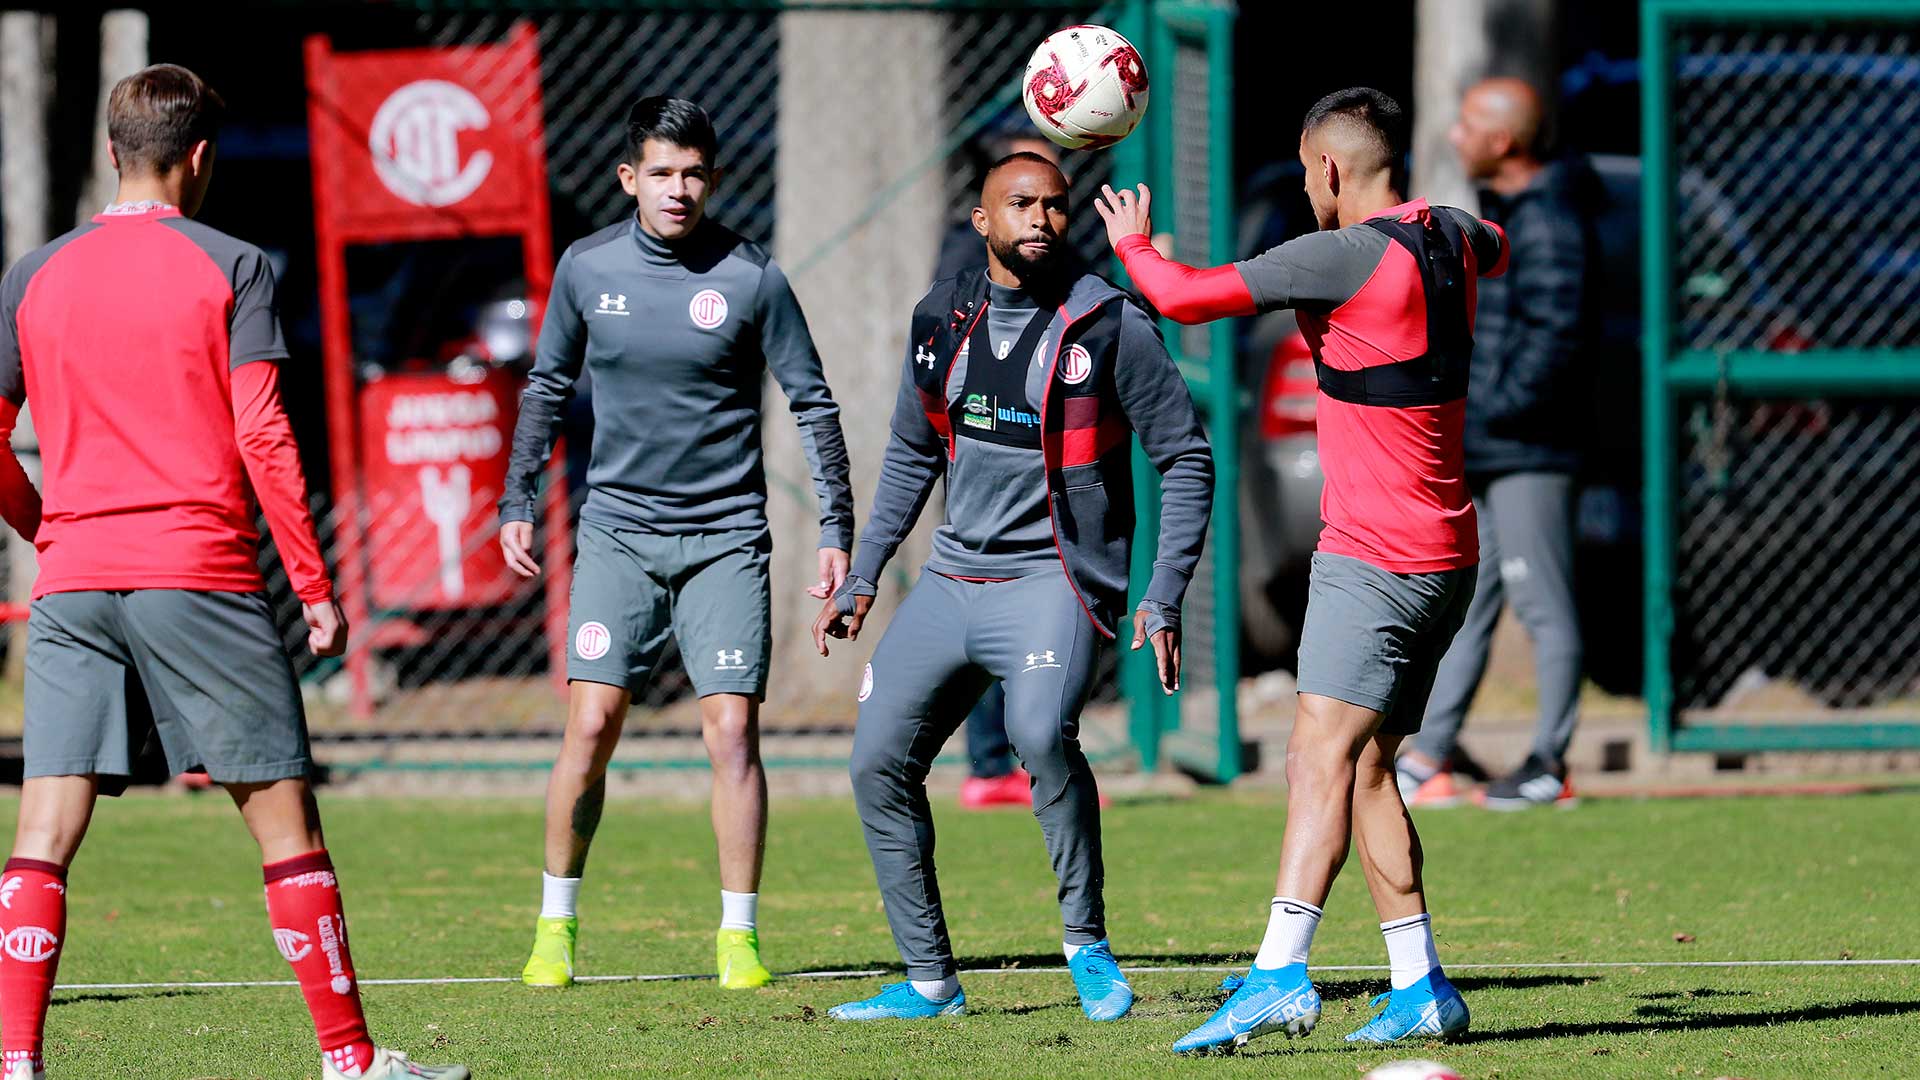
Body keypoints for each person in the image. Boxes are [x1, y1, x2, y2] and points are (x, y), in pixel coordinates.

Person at [0, 65, 465, 1080]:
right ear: (199, 159)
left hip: (74, 583)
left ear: (110, 154)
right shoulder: (235, 265)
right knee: (285, 823)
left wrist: (49, 532)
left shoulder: (31, 274)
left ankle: (17, 1062)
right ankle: (348, 1060)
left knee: (44, 828)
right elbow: (263, 434)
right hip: (197, 572)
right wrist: (314, 585)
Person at [1094, 87, 1508, 1052]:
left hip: (1374, 558)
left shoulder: (1341, 253)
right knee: (1367, 766)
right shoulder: (1454, 235)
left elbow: (1183, 296)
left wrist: (1133, 240)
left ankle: (1278, 973)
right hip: (1448, 553)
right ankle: (1420, 984)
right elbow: (1492, 237)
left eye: (1310, 173)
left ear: (1326, 169)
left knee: (1313, 758)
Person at [813, 152, 1213, 1022]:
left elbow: (1184, 456)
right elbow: (914, 452)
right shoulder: (940, 317)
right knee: (877, 760)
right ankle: (929, 981)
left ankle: (1088, 946)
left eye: (1057, 206)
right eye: (1020, 204)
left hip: (1052, 583)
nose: (1040, 218)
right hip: (954, 580)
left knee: (1038, 731)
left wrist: (1165, 588)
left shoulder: (1109, 325)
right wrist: (866, 572)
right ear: (982, 221)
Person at [500, 97, 854, 991]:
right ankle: (556, 927)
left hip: (727, 538)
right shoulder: (587, 270)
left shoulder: (752, 277)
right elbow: (545, 386)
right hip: (618, 532)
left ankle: (738, 938)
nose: (679, 189)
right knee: (591, 723)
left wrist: (837, 527)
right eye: (661, 172)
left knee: (731, 731)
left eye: (695, 172)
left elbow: (813, 402)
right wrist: (516, 500)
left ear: (715, 179)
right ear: (630, 179)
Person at [1397, 77, 1599, 810]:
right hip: (1495, 443)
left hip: (1530, 449)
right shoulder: (1520, 211)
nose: (1456, 135)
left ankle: (1549, 762)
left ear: (1505, 140)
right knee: (1468, 600)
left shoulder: (1549, 220)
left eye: (1470, 122)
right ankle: (1430, 753)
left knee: (1541, 601)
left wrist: (1493, 415)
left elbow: (1556, 339)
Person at [933, 132, 1063, 810]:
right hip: (987, 474)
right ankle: (990, 764)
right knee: (988, 616)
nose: (1040, 200)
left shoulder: (1058, 256)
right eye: (1022, 184)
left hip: (1050, 475)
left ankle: (1015, 759)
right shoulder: (966, 263)